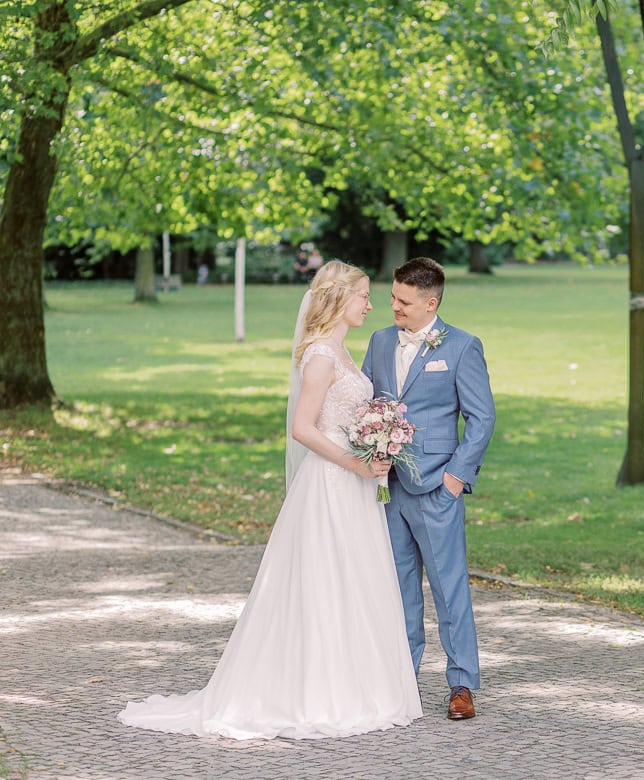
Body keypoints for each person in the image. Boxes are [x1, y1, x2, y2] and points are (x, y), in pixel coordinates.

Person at [118, 261, 423, 739]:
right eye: (364, 295)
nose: (370, 304)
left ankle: (359, 684)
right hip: (331, 483)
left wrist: (376, 444)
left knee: (355, 578)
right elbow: (303, 428)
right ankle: (317, 692)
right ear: (339, 298)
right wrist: (355, 461)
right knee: (326, 579)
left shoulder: (342, 352)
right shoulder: (320, 355)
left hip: (356, 484)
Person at [362, 256, 495, 720]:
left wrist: (455, 478)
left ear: (430, 303)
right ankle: (402, 680)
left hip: (438, 486)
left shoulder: (462, 346)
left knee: (449, 588)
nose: (393, 306)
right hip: (388, 487)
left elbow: (481, 418)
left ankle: (462, 684)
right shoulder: (380, 341)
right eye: (392, 297)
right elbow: (368, 403)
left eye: (403, 301)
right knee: (398, 588)